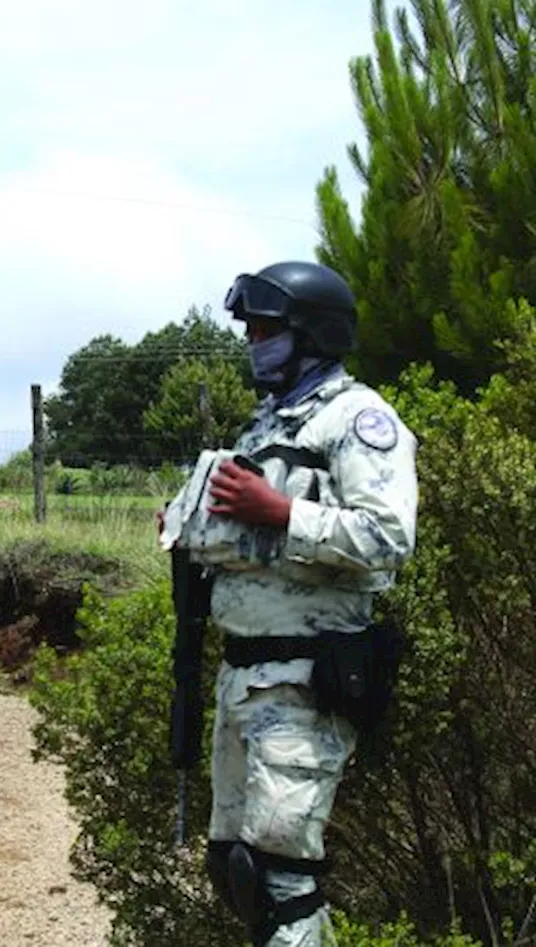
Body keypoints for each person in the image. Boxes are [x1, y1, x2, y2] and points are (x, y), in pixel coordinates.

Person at [159, 261, 419, 947]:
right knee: (235, 870)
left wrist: (281, 512)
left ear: (312, 334)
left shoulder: (356, 420)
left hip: (304, 683)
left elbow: (387, 536)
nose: (254, 340)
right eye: (250, 328)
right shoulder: (264, 425)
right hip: (241, 677)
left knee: (281, 881)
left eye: (267, 328)